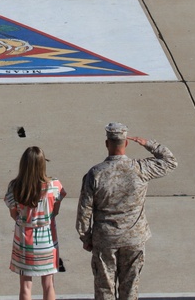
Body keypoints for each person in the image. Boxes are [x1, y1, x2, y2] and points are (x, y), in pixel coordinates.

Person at [76, 123, 177, 300]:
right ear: (126, 144)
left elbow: (84, 210)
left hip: (105, 239)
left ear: (107, 143)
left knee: (104, 290)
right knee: (130, 290)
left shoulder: (95, 173)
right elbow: (170, 161)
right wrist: (149, 144)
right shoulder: (140, 169)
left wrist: (86, 238)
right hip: (134, 238)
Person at [4, 147, 65, 300]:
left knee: (25, 285)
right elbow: (55, 211)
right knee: (49, 284)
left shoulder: (14, 187)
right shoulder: (54, 185)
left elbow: (14, 214)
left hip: (24, 240)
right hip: (47, 241)